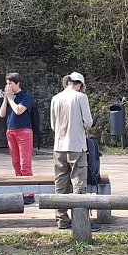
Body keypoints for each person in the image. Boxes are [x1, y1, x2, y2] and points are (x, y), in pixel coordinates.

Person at [50, 72, 95, 230]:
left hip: (58, 147)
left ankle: (61, 220)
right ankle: (79, 221)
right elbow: (88, 122)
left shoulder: (56, 98)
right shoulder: (81, 97)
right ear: (80, 85)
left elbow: (53, 125)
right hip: (76, 145)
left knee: (60, 184)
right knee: (79, 183)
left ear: (67, 82)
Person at [0, 72, 35, 205]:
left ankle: (29, 193)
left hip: (24, 131)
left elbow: (19, 110)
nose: (8, 86)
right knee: (16, 163)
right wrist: (5, 99)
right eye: (6, 83)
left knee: (25, 164)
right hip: (11, 131)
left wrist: (10, 99)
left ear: (18, 83)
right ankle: (21, 190)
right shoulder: (9, 97)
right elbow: (2, 114)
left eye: (10, 83)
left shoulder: (25, 96)